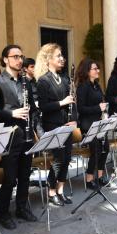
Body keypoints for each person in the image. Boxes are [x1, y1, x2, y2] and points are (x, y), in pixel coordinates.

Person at [0, 44, 38, 230]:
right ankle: (3, 213)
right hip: (9, 136)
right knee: (10, 178)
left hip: (26, 134)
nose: (19, 60)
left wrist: (30, 111)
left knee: (25, 175)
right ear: (5, 59)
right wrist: (12, 114)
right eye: (15, 56)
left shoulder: (26, 81)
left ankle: (21, 208)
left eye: (21, 56)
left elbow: (33, 107)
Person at [35, 43, 77, 206]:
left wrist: (74, 119)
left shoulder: (65, 79)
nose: (62, 58)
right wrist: (61, 103)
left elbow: (71, 103)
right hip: (52, 125)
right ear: (48, 59)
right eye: (58, 55)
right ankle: (51, 191)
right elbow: (43, 107)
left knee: (67, 158)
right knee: (59, 159)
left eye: (62, 55)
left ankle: (60, 190)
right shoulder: (43, 81)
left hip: (66, 124)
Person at [75, 58, 109, 189]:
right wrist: (98, 108)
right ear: (87, 71)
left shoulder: (97, 85)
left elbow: (101, 102)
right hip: (88, 124)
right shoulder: (83, 87)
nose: (98, 71)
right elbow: (81, 108)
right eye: (95, 69)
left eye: (97, 68)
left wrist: (104, 109)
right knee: (96, 150)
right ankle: (89, 179)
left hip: (99, 122)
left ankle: (100, 176)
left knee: (105, 148)